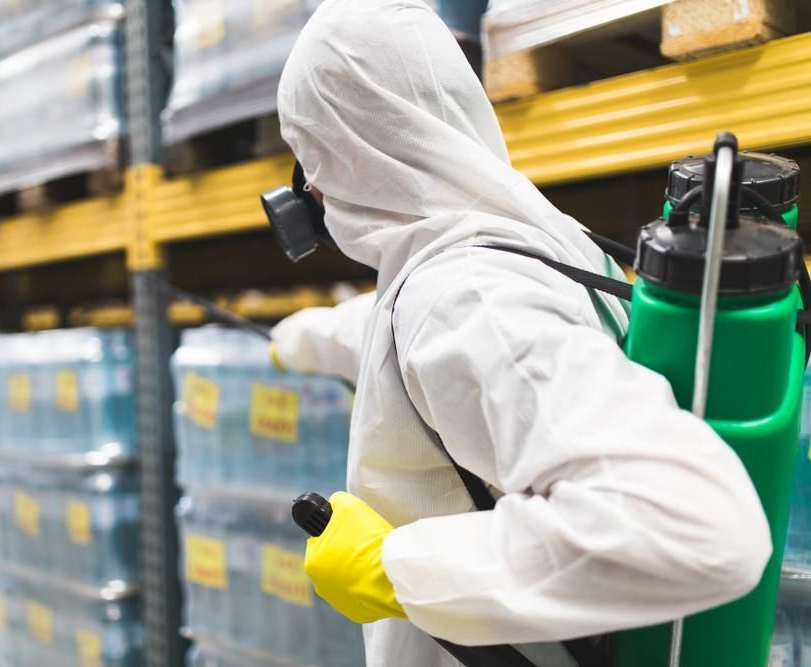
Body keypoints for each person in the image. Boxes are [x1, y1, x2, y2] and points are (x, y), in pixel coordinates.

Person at [268, 0, 772, 665]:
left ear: (346, 150)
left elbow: (695, 526)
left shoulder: (466, 298)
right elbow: (406, 342)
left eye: (308, 157)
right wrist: (296, 337)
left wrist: (392, 567)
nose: (310, 195)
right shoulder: (528, 241)